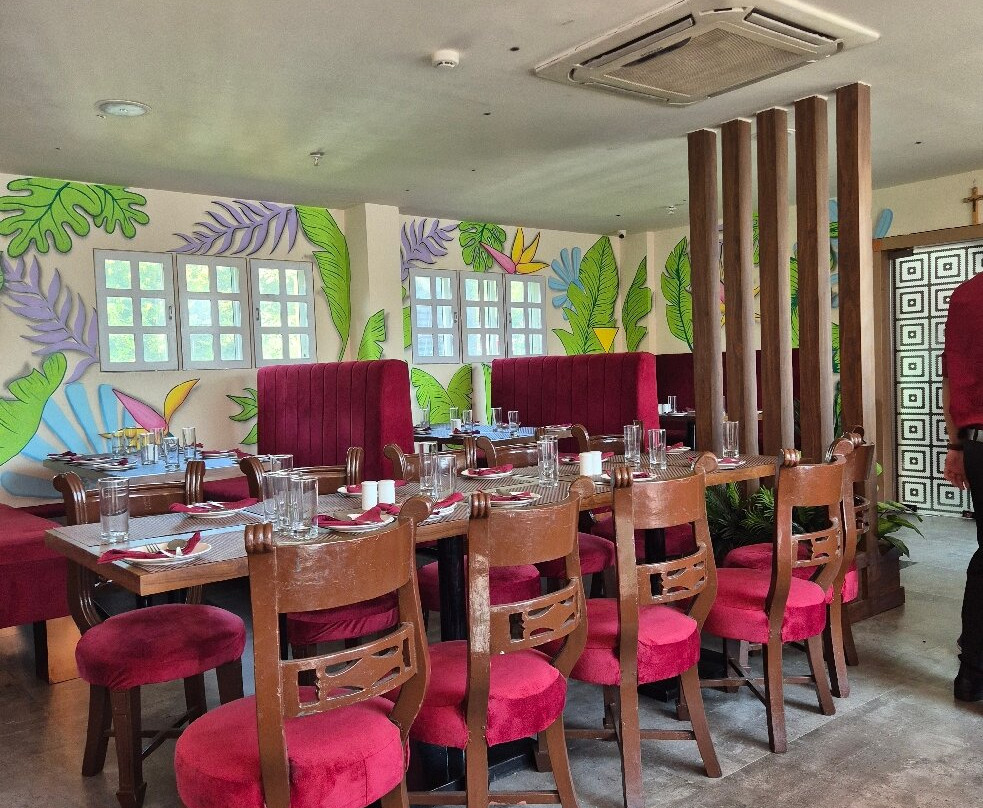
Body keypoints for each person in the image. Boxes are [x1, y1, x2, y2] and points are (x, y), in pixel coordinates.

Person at [941, 271, 983, 702]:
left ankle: (971, 674)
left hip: (977, 443)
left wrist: (956, 446)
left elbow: (950, 381)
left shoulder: (965, 295)